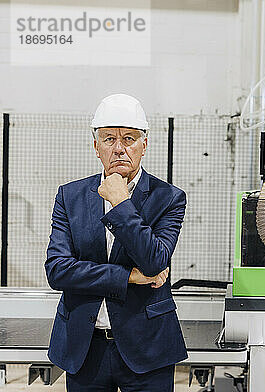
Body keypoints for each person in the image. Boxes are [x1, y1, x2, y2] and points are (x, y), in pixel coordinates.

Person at [45, 94, 188, 391]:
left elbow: (154, 261)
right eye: (109, 139)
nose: (120, 148)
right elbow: (58, 270)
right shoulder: (70, 196)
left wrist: (121, 201)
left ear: (144, 145)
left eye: (130, 138)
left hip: (148, 347)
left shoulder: (169, 198)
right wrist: (129, 276)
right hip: (86, 348)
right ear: (96, 146)